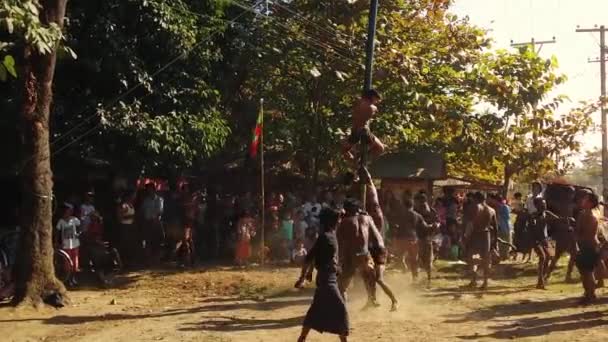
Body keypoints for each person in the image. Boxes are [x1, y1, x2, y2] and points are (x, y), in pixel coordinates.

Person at [295, 208, 349, 342]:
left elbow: (315, 257)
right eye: (338, 220)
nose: (340, 221)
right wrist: (303, 277)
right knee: (341, 309)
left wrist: (308, 274)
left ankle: (301, 339)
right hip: (327, 280)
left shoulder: (330, 234)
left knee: (315, 310)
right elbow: (309, 258)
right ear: (332, 222)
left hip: (328, 278)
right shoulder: (325, 237)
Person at [464, 192, 498, 290]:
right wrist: (495, 243)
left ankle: (474, 280)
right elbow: (496, 228)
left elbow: (469, 224)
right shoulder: (492, 210)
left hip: (475, 235)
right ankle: (485, 282)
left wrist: (465, 236)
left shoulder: (474, 208)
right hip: (486, 235)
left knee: (472, 257)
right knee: (485, 258)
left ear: (476, 199)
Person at [342, 89, 385, 162]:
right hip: (363, 130)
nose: (376, 102)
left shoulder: (358, 102)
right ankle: (363, 159)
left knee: (344, 150)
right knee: (380, 148)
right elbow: (372, 113)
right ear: (373, 97)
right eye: (376, 100)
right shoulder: (373, 108)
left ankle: (354, 161)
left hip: (355, 130)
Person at [574, 190, 602, 304]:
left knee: (587, 272)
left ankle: (589, 295)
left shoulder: (584, 215)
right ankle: (590, 294)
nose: (582, 201)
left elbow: (579, 232)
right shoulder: (595, 214)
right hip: (592, 245)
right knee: (588, 272)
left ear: (590, 203)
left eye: (585, 199)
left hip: (586, 246)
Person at [527, 198, 557, 289]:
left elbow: (558, 219)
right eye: (541, 204)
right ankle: (540, 281)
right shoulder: (533, 216)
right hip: (536, 240)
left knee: (548, 257)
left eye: (544, 204)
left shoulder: (547, 213)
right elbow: (531, 230)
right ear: (536, 206)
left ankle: (542, 279)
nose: (544, 206)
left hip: (544, 239)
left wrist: (567, 220)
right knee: (543, 257)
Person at [414, 193, 440, 286]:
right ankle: (418, 279)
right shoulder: (416, 211)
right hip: (419, 238)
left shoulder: (431, 211)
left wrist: (435, 226)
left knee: (426, 260)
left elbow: (437, 222)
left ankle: (428, 280)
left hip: (426, 238)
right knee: (418, 260)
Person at [56, 203, 81, 286]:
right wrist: (58, 243)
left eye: (70, 211)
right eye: (67, 210)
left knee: (75, 263)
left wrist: (78, 233)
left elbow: (79, 228)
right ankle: (67, 279)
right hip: (65, 245)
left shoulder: (74, 220)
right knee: (67, 264)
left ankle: (73, 279)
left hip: (74, 244)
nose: (69, 212)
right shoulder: (61, 221)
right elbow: (58, 233)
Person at [140, 183, 164, 264]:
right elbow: (143, 211)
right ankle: (148, 260)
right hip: (147, 222)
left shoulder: (159, 199)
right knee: (148, 241)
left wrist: (154, 218)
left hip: (156, 222)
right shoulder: (146, 200)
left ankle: (156, 260)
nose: (149, 191)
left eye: (150, 189)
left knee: (157, 241)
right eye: (148, 189)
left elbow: (159, 212)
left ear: (154, 189)